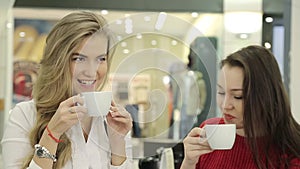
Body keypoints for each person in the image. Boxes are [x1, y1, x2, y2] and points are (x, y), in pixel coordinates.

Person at [1, 11, 133, 169]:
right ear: (58, 61)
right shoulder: (25, 115)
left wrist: (118, 141)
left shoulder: (113, 121)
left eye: (101, 59)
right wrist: (52, 133)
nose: (92, 71)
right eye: (79, 59)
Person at [180, 45, 300, 169]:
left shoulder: (289, 155)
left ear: (266, 96)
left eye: (238, 96)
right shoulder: (208, 131)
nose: (225, 105)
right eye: (221, 92)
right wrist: (189, 162)